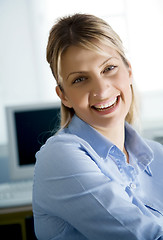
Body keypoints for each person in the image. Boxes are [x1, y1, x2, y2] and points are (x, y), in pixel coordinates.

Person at [32, 13, 163, 240]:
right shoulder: (59, 156)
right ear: (63, 95)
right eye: (80, 79)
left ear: (129, 71)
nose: (101, 91)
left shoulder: (156, 154)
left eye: (108, 68)